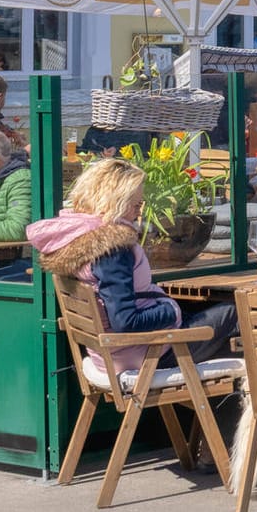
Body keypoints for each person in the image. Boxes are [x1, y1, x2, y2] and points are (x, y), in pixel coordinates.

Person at [33, 159, 238, 375]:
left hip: (112, 353)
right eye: (136, 205)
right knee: (236, 313)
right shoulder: (112, 250)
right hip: (143, 353)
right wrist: (170, 310)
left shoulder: (78, 236)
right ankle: (248, 402)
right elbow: (125, 321)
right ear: (116, 201)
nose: (138, 213)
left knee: (211, 318)